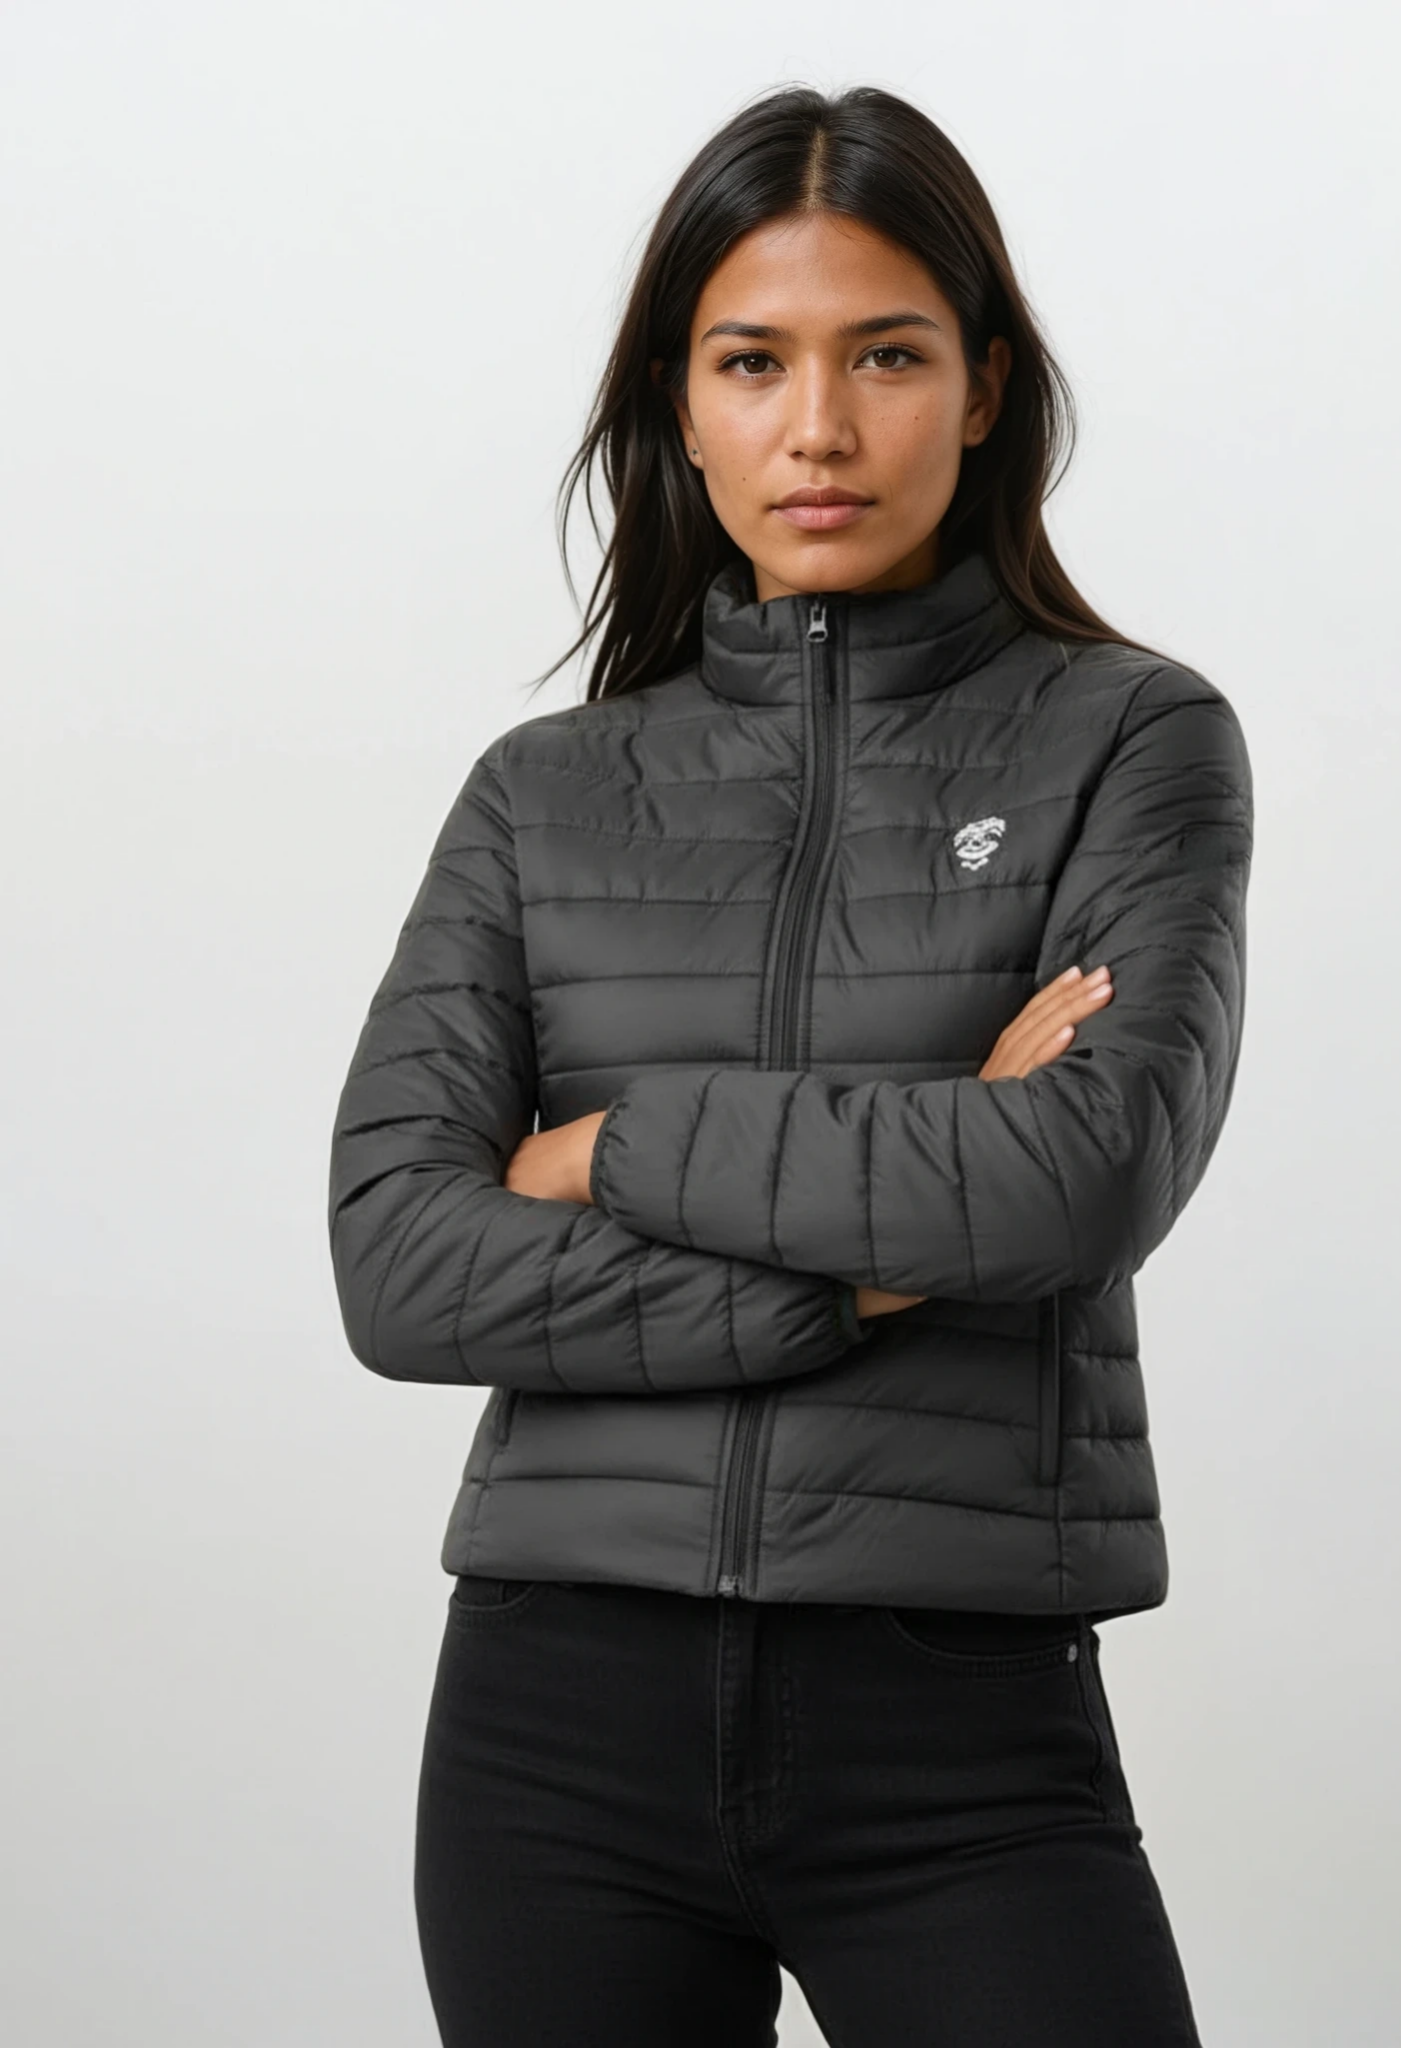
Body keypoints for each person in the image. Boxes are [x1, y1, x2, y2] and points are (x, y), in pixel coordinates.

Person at [328, 82, 1252, 2048]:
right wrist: (873, 1269)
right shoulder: (542, 794)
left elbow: (1077, 1177)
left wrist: (606, 1146)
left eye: (886, 356)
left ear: (983, 389)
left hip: (955, 1727)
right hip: (551, 1725)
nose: (818, 427)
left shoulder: (1129, 739)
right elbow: (400, 1265)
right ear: (681, 403)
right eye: (752, 361)